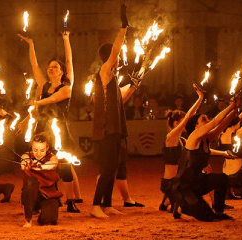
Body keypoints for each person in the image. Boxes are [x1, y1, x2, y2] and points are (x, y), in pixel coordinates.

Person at [17, 30, 81, 212]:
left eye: (54, 67)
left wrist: (66, 39)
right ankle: (42, 196)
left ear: (62, 71)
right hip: (43, 130)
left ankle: (70, 201)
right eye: (50, 67)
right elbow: (34, 64)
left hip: (59, 130)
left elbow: (53, 99)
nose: (51, 69)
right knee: (39, 164)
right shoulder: (44, 85)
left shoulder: (66, 87)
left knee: (65, 166)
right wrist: (31, 44)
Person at [90, 5, 143, 218]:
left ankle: (107, 204)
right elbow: (116, 51)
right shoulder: (105, 71)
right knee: (107, 168)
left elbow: (120, 97)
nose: (119, 58)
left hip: (115, 128)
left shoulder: (111, 79)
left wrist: (134, 85)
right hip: (106, 129)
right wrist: (123, 28)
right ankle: (95, 206)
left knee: (112, 168)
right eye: (115, 56)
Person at [171, 96, 238, 221]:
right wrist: (230, 106)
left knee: (222, 178)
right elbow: (215, 122)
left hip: (197, 183)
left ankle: (218, 211)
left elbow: (222, 125)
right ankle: (181, 206)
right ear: (196, 126)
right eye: (204, 119)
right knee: (208, 218)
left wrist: (235, 110)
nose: (208, 121)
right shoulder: (194, 137)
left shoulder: (207, 138)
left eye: (207, 118)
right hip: (184, 188)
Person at [159, 84, 203, 212]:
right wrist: (200, 98)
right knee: (187, 207)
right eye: (183, 121)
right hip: (170, 184)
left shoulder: (182, 140)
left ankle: (167, 202)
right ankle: (172, 200)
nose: (187, 123)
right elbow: (189, 116)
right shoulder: (171, 137)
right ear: (177, 124)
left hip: (177, 183)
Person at [20, 133, 63, 227]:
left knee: (49, 220)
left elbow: (53, 164)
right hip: (31, 195)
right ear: (31, 147)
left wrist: (40, 167)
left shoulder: (52, 157)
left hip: (47, 195)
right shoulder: (27, 155)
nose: (38, 154)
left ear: (47, 148)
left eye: (42, 150)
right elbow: (24, 160)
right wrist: (26, 163)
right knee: (31, 181)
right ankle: (28, 219)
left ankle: (43, 214)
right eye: (35, 150)